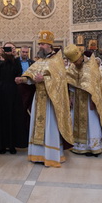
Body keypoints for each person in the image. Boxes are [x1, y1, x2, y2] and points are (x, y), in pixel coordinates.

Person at [15, 30, 73, 167]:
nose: (40, 46)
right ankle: (37, 154)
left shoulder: (57, 60)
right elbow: (31, 76)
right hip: (38, 98)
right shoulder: (39, 61)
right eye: (39, 43)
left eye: (42, 44)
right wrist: (23, 79)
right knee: (38, 126)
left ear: (49, 45)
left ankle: (51, 155)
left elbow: (59, 80)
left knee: (50, 126)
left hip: (50, 100)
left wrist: (44, 79)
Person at [64, 44, 102, 156]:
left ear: (80, 56)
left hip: (90, 99)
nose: (75, 64)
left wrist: (93, 101)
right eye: (73, 62)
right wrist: (70, 97)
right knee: (78, 121)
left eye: (76, 61)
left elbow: (94, 86)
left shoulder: (91, 65)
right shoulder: (73, 66)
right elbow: (70, 81)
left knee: (91, 122)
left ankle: (94, 147)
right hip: (77, 98)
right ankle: (80, 146)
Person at [0, 43, 29, 154]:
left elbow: (19, 72)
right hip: (1, 91)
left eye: (11, 48)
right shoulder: (0, 61)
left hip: (13, 91)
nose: (8, 50)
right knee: (0, 117)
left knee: (13, 117)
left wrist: (15, 56)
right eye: (7, 48)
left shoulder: (15, 61)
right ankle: (0, 145)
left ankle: (12, 145)